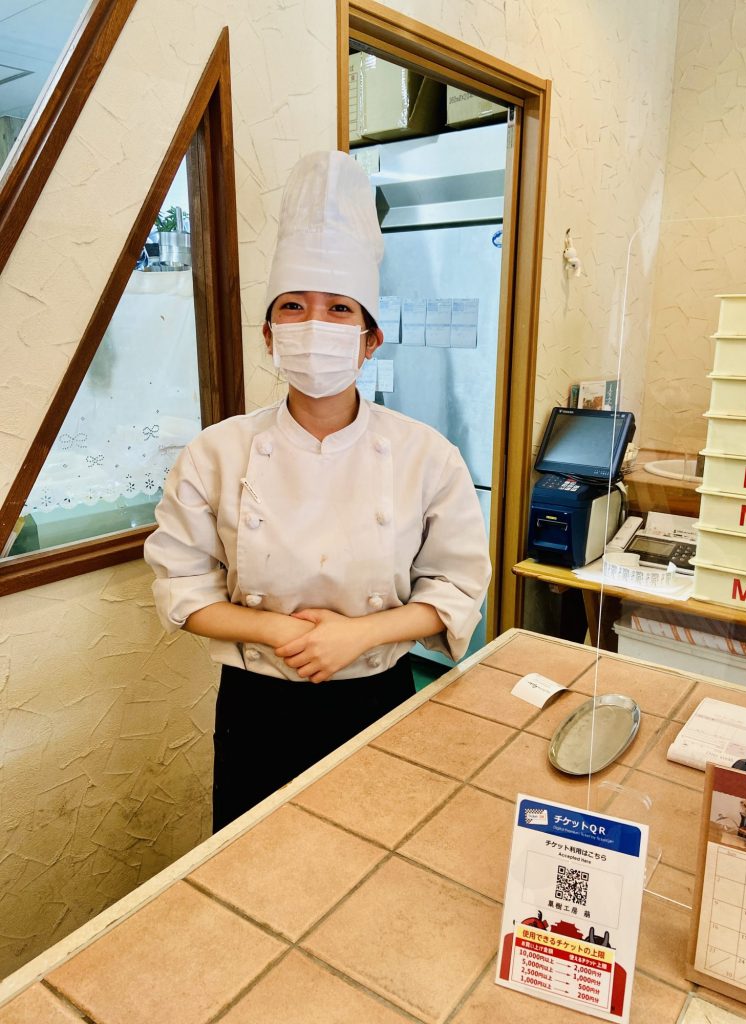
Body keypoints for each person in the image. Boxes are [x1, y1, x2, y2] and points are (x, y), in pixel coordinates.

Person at [144, 150, 492, 831]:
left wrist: (358, 637)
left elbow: (454, 590)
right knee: (249, 873)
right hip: (255, 705)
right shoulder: (216, 453)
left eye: (339, 310)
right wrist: (275, 629)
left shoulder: (428, 455)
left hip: (376, 696)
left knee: (372, 869)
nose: (315, 325)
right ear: (272, 336)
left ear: (368, 342)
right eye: (295, 308)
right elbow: (182, 589)